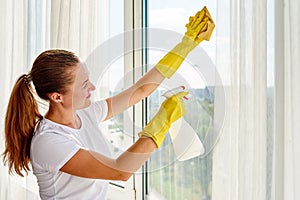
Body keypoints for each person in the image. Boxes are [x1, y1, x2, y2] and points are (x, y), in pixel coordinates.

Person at [2, 6, 214, 200]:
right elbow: (119, 171)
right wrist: (162, 120)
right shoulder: (49, 141)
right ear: (57, 97)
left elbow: (139, 91)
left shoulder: (85, 114)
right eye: (84, 84)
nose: (92, 88)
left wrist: (186, 45)